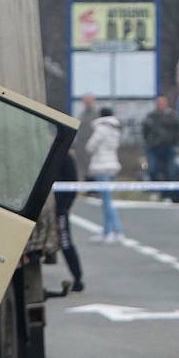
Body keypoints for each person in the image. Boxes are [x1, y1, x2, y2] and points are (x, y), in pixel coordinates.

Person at [85, 105, 125, 241]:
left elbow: (90, 146)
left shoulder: (101, 129)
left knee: (106, 201)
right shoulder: (115, 130)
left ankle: (117, 231)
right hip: (113, 165)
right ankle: (107, 231)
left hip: (101, 166)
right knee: (107, 200)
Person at [50, 140, 84, 293]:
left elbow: (72, 185)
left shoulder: (65, 156)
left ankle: (77, 278)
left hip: (59, 207)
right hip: (45, 206)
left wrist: (64, 207)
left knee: (65, 242)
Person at [143, 96, 179, 191]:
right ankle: (155, 190)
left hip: (169, 147)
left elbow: (178, 131)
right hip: (153, 147)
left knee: (171, 171)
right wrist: (149, 141)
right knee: (151, 169)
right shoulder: (151, 116)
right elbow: (145, 131)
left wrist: (174, 143)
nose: (161, 105)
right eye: (159, 103)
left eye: (162, 103)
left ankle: (169, 193)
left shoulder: (173, 116)